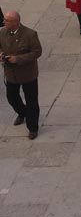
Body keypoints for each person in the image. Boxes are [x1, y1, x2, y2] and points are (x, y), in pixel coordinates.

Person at [0, 10, 42, 139]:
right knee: (12, 97)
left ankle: (33, 127)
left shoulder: (30, 34)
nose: (3, 22)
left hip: (28, 74)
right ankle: (23, 113)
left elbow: (37, 52)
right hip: (11, 73)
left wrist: (18, 59)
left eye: (6, 20)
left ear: (15, 22)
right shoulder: (2, 32)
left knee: (31, 101)